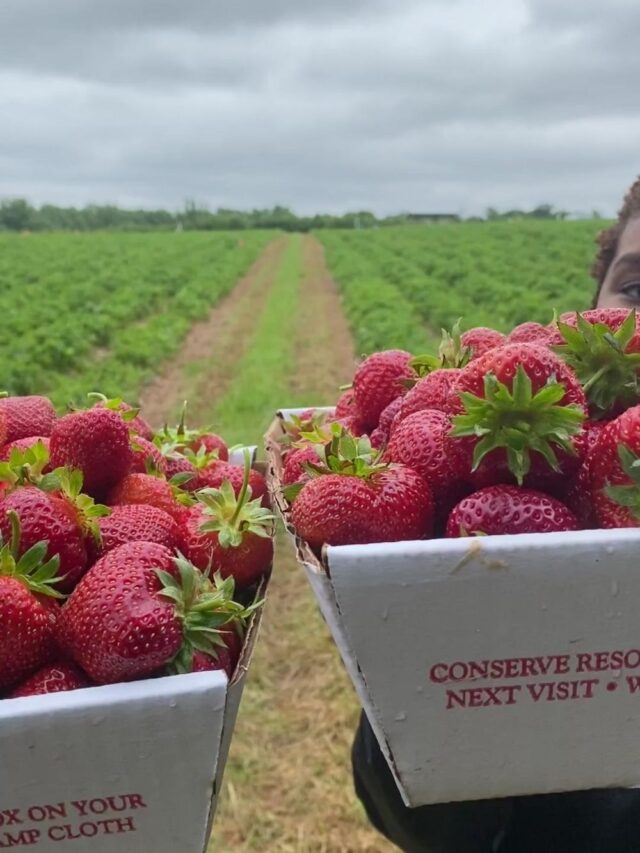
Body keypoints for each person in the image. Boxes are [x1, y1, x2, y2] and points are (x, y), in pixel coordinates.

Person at [351, 176, 640, 853]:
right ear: (591, 306)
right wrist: (417, 668)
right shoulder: (519, 470)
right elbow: (414, 812)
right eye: (637, 288)